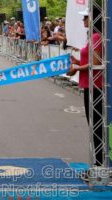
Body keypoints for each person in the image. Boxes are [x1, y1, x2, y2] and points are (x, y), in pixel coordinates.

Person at [67, 7, 103, 167]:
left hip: (96, 86)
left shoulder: (96, 37)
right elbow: (90, 60)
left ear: (94, 19)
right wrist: (76, 62)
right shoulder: (92, 37)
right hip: (89, 85)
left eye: (86, 18)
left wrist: (77, 68)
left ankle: (100, 165)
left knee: (96, 127)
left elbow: (95, 64)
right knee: (93, 126)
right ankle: (98, 163)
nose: (83, 21)